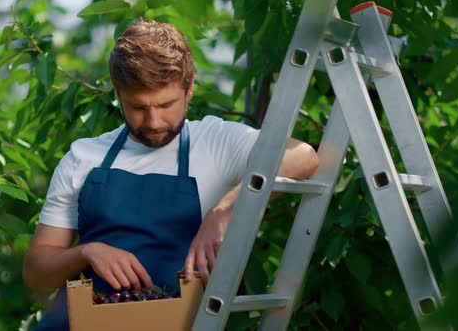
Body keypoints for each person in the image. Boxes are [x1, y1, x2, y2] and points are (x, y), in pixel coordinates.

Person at [22, 19, 319, 330]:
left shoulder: (216, 141)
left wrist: (228, 207)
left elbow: (303, 157)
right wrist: (87, 252)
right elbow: (37, 273)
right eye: (138, 107)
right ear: (118, 94)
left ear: (189, 88)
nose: (153, 121)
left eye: (166, 104)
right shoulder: (83, 157)